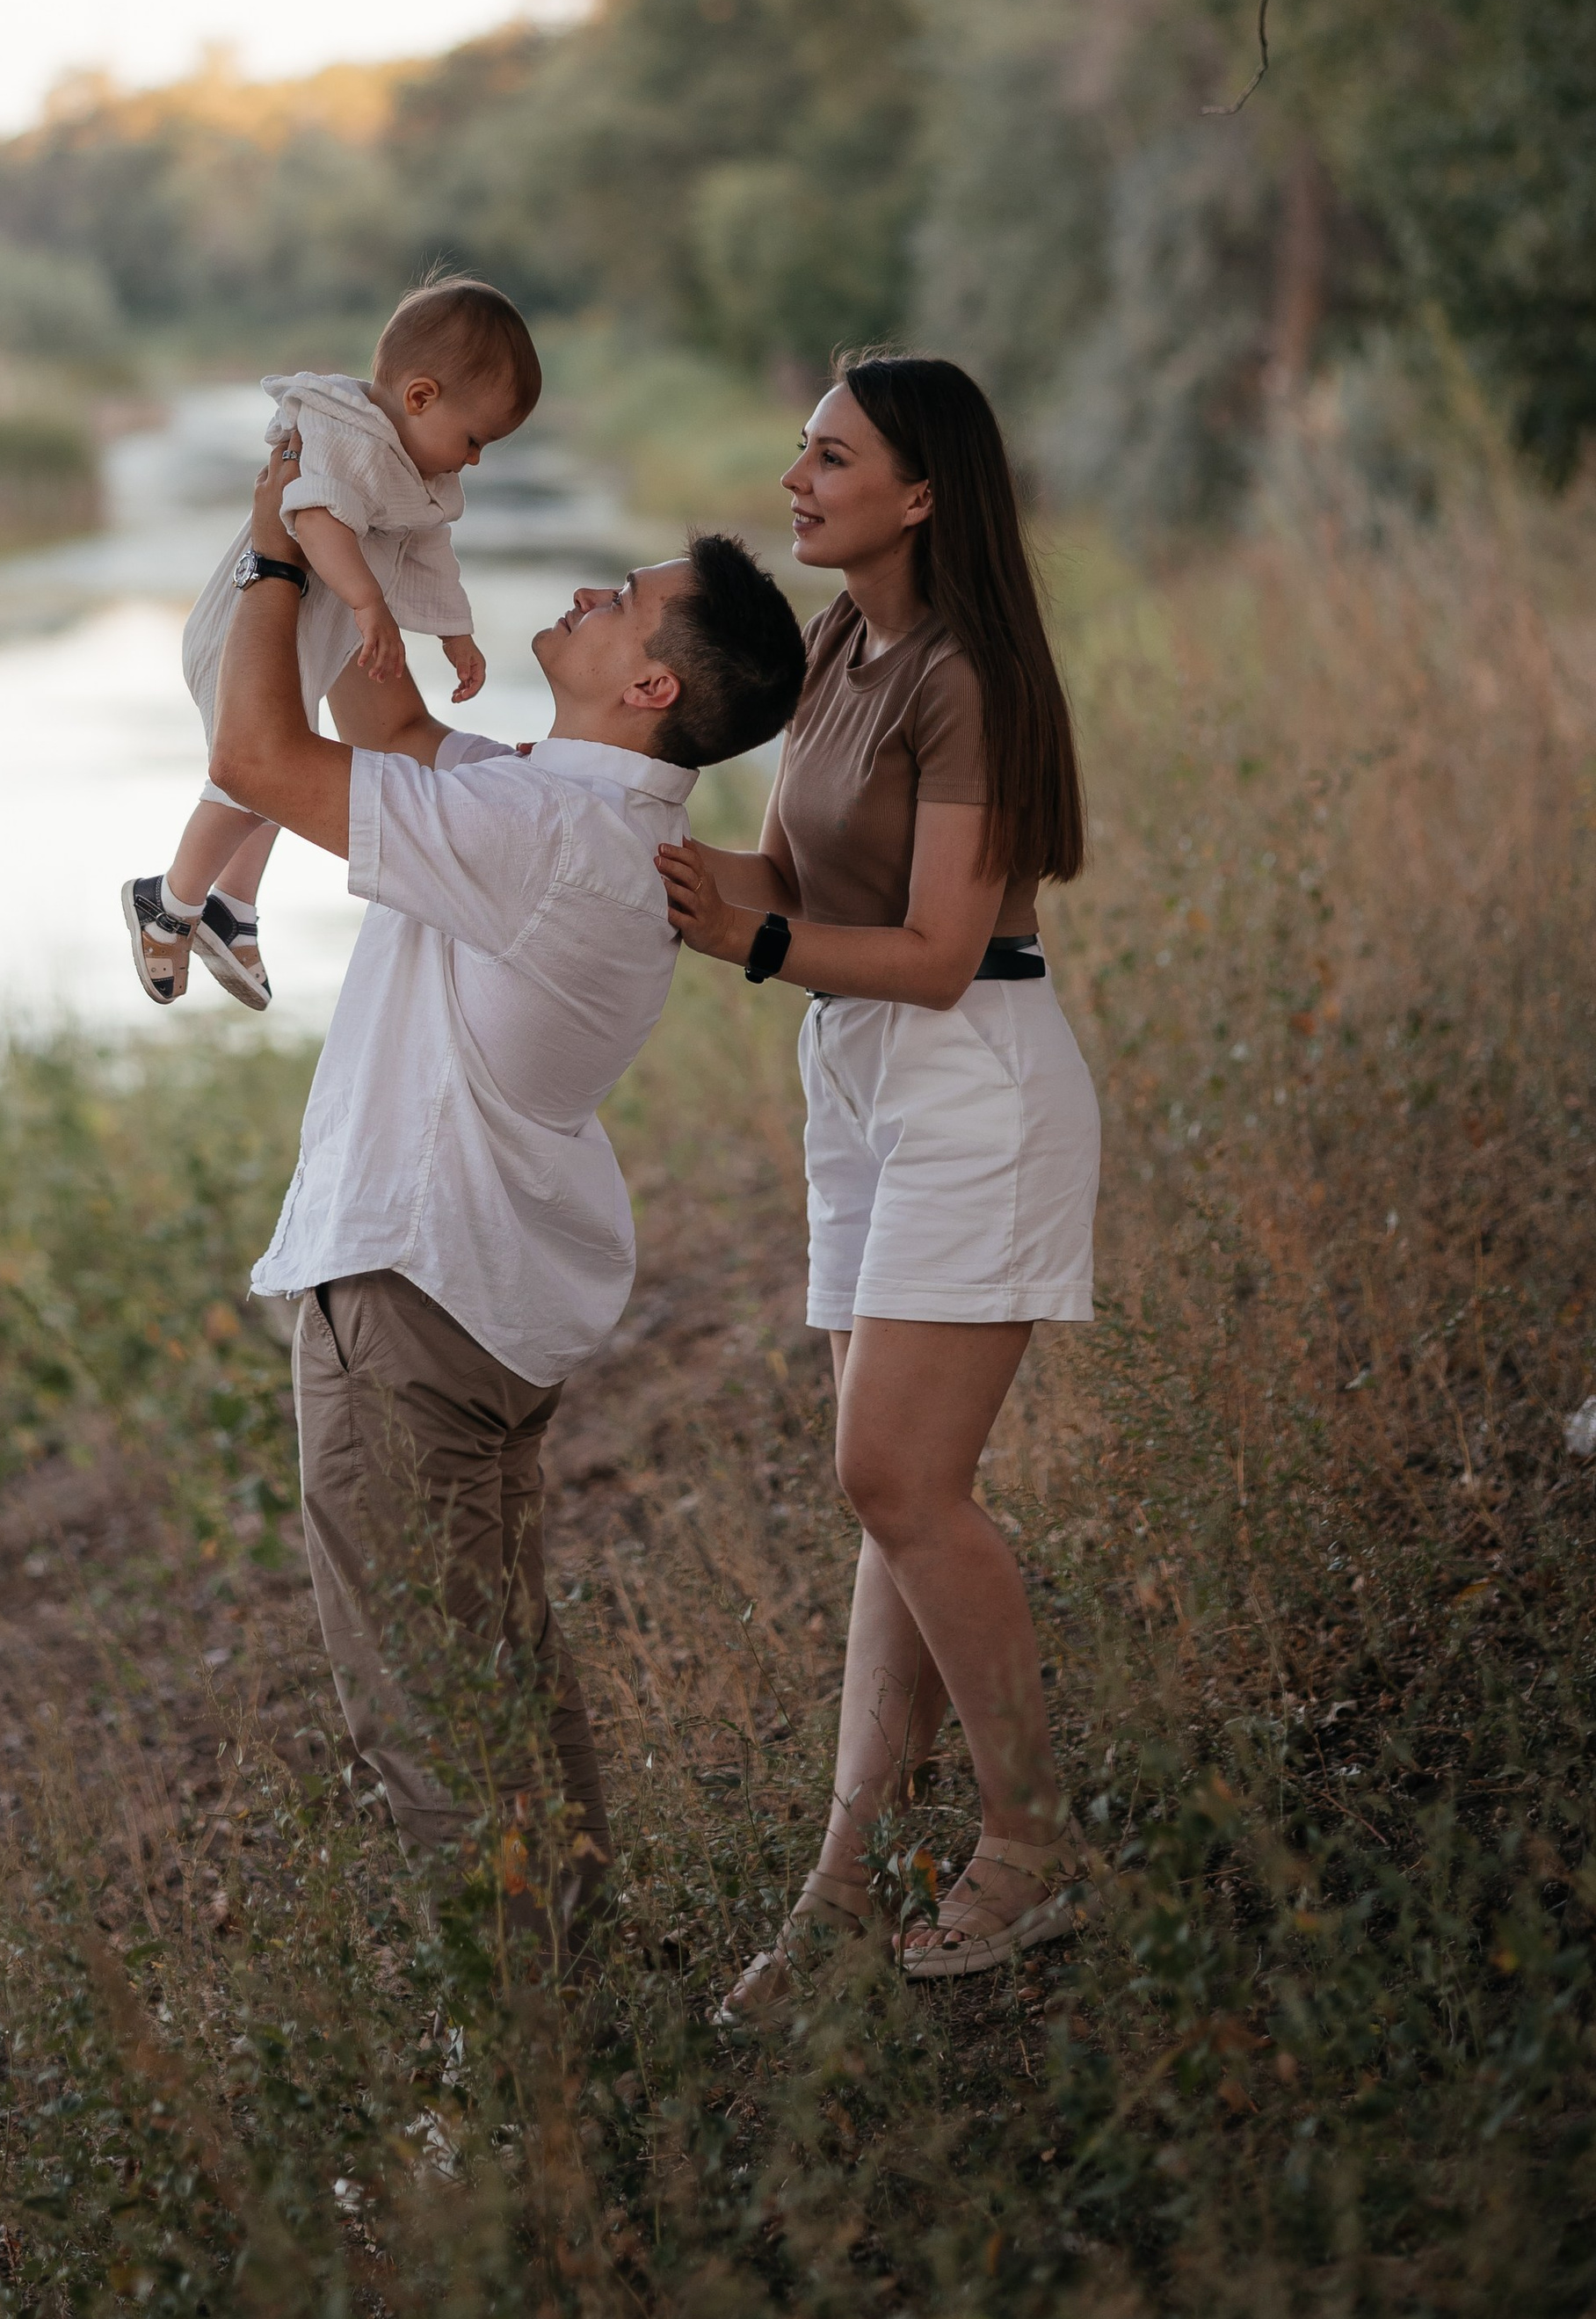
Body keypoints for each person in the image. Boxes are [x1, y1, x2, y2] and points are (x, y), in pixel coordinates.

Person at [208, 443, 807, 1959]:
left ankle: (515, 2091)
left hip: (410, 1305)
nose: (596, 592)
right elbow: (390, 724)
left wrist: (273, 564)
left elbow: (261, 763)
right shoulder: (574, 813)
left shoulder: (543, 839)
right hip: (469, 1304)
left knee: (429, 1714)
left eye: (630, 604)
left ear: (654, 690)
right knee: (501, 1677)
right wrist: (366, 546)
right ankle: (583, 2010)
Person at [655, 352, 1100, 2010]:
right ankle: (848, 1877)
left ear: (920, 495)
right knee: (884, 1498)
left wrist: (756, 939)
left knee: (899, 1482)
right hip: (855, 1080)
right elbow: (789, 868)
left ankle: (1032, 1845)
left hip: (970, 1076)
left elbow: (936, 945)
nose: (797, 476)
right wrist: (624, 846)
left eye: (831, 458)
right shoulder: (843, 641)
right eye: (800, 447)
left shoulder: (967, 674)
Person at [122, 277, 542, 1014]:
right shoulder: (348, 436)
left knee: (289, 771)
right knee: (255, 773)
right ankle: (168, 900)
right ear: (419, 398)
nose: (474, 460)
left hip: (304, 639)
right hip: (246, 629)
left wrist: (456, 632)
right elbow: (310, 518)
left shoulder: (417, 473)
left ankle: (232, 908)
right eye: (474, 439)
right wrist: (368, 602)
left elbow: (430, 553)